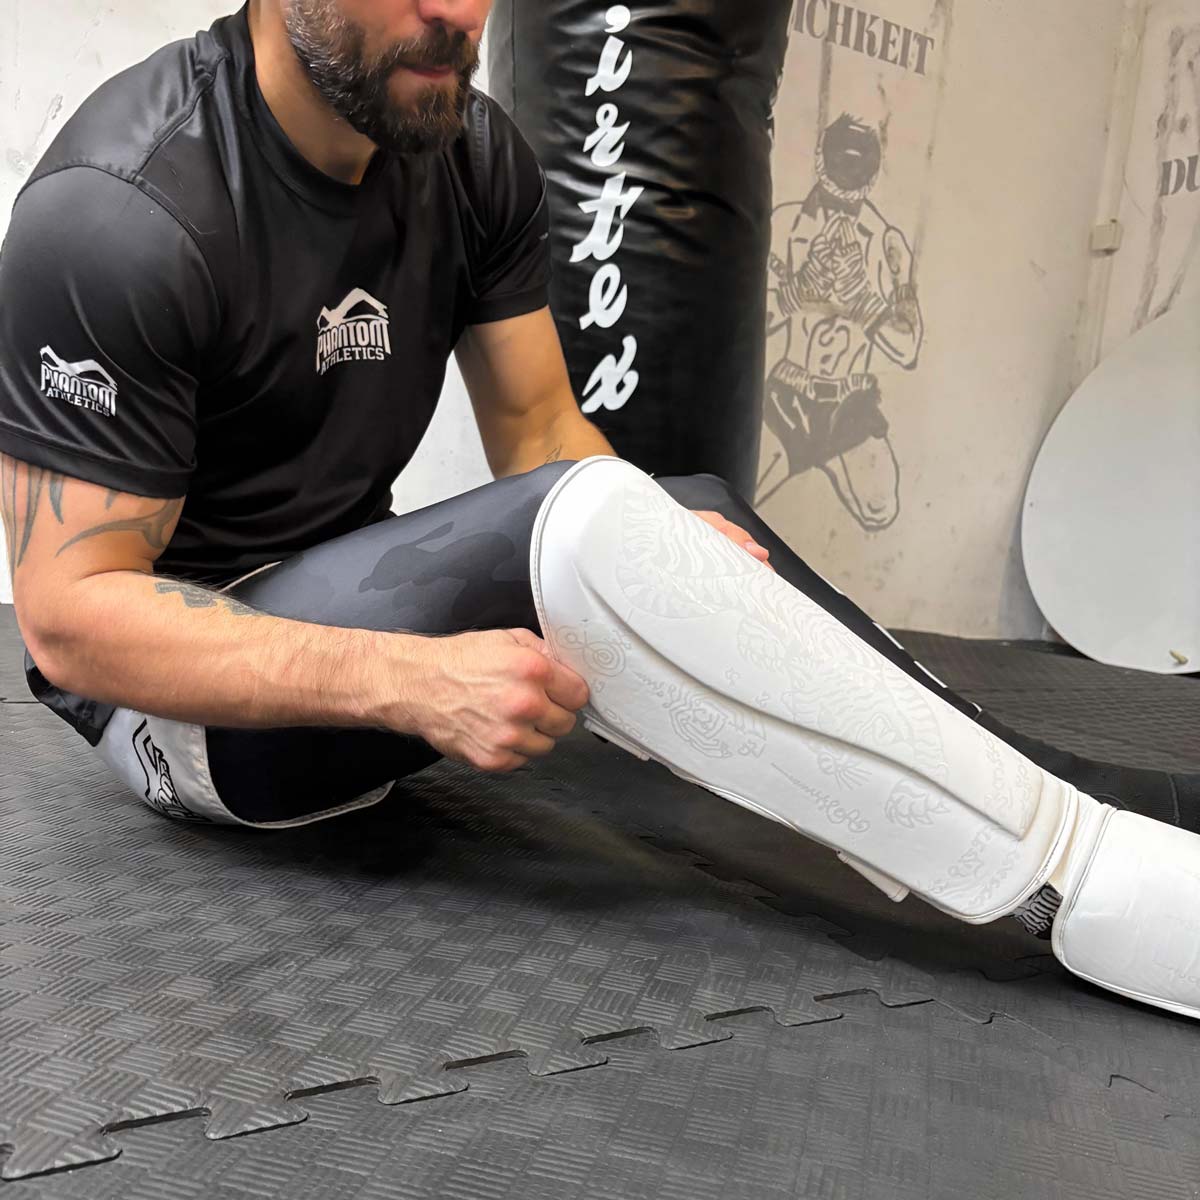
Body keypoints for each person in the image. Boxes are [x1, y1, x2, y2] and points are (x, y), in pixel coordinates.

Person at [2, 0, 1199, 1018]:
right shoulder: (124, 211)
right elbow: (70, 621)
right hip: (182, 725)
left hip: (337, 607)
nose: (457, 13)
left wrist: (661, 540)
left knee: (684, 506)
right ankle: (1090, 878)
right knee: (581, 527)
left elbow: (539, 431)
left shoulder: (467, 153)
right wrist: (405, 681)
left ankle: (1064, 786)